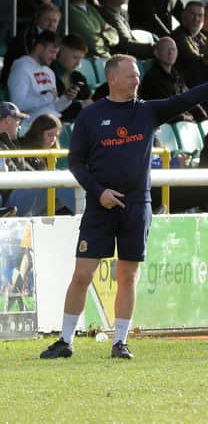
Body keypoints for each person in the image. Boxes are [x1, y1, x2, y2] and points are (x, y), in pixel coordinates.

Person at [40, 54, 208, 360]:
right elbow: (75, 161)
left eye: (137, 76)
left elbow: (187, 98)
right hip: (99, 206)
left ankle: (120, 342)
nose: (137, 80)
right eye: (131, 76)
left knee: (128, 275)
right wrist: (98, 191)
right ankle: (65, 340)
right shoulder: (91, 116)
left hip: (137, 206)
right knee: (82, 274)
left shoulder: (148, 111)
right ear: (112, 79)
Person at [7, 30, 79, 123]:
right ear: (39, 47)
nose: (54, 57)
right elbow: (18, 104)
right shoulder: (21, 67)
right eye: (52, 52)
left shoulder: (49, 72)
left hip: (53, 121)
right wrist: (48, 97)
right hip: (32, 126)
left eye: (56, 53)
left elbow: (55, 107)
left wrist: (67, 98)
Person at [140, 36, 208, 123]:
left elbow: (188, 97)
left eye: (173, 49)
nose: (170, 52)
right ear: (156, 53)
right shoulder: (152, 78)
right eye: (167, 49)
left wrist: (203, 117)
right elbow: (164, 110)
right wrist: (186, 118)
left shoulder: (176, 75)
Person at [1, 2, 61, 84]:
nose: (51, 24)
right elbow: (27, 62)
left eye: (55, 21)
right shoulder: (24, 36)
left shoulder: (56, 39)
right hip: (17, 80)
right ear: (37, 19)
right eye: (47, 20)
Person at [51, 34, 94, 122]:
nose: (78, 63)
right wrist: (80, 106)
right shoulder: (48, 75)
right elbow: (53, 109)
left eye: (80, 59)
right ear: (61, 51)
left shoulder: (79, 78)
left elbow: (88, 102)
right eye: (75, 57)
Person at [172, 1, 208, 89]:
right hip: (190, 88)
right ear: (184, 15)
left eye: (200, 15)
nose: (196, 19)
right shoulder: (178, 36)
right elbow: (194, 60)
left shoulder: (201, 36)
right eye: (192, 14)